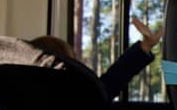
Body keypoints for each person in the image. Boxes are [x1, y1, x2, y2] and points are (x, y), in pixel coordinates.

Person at [29, 18, 164, 100]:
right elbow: (113, 80)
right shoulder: (79, 101)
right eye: (72, 62)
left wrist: (145, 46)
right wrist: (145, 46)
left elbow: (112, 80)